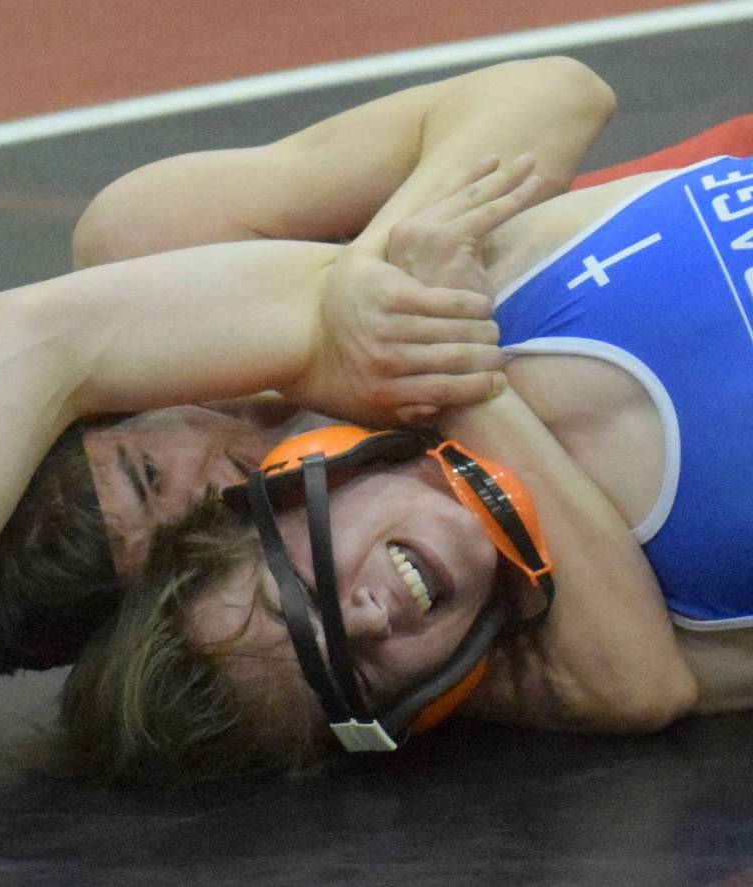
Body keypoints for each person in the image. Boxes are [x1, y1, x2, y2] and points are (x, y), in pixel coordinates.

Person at [49, 134, 753, 783]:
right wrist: (454, 377)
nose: (364, 620)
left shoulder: (418, 291)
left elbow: (561, 92)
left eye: (304, 591)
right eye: (352, 673)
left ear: (288, 482)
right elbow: (636, 689)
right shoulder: (643, 634)